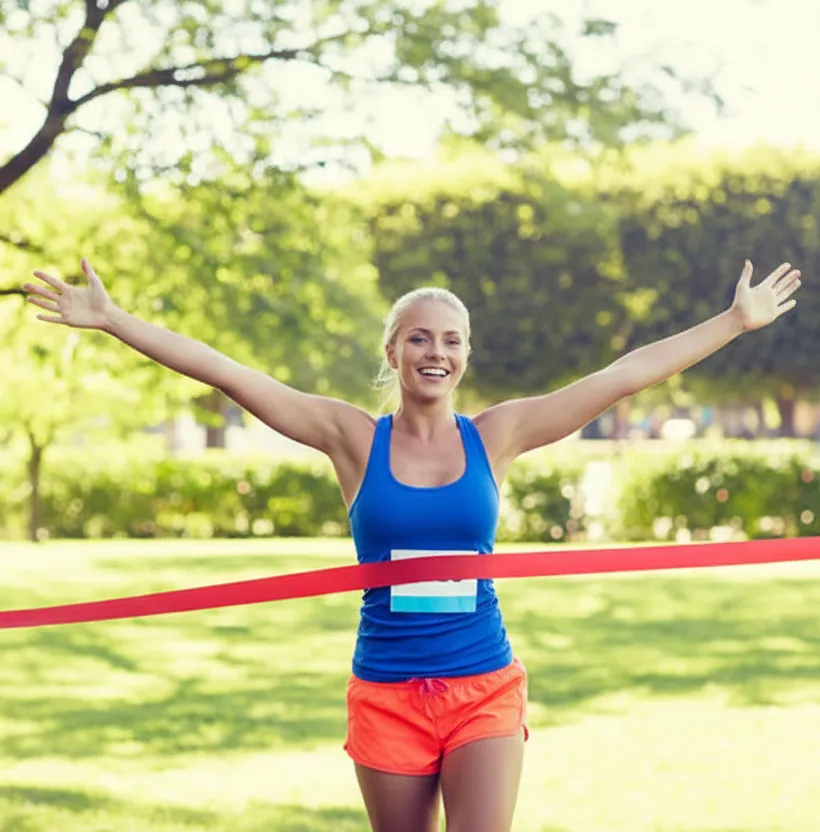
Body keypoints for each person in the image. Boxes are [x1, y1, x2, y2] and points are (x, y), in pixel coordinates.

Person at [24, 257, 801, 832]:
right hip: (387, 693)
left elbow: (624, 376)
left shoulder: (497, 435)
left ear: (465, 356)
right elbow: (231, 375)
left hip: (482, 685)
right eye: (420, 338)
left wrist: (734, 322)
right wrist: (114, 320)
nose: (438, 351)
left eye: (453, 341)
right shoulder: (352, 439)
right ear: (393, 351)